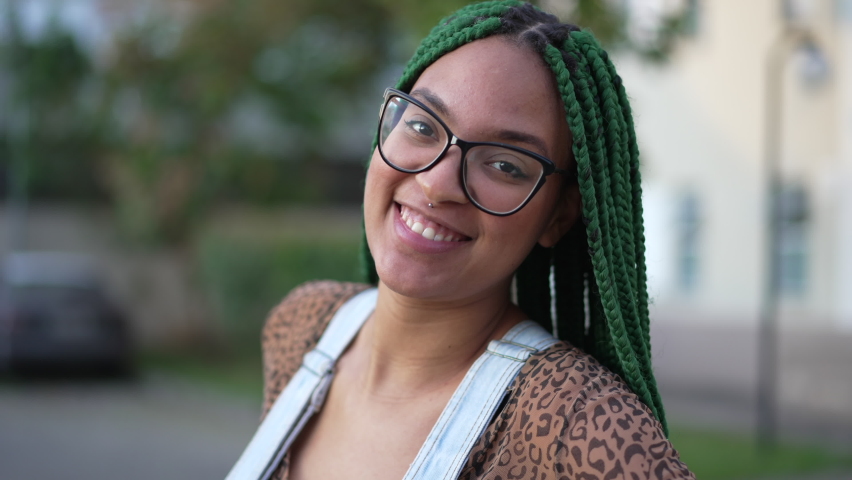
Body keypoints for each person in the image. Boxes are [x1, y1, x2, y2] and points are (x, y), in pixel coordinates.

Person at [247, 1, 696, 479]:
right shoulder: (302, 329)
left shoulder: (579, 428)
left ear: (559, 216)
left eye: (505, 164)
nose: (437, 184)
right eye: (422, 126)